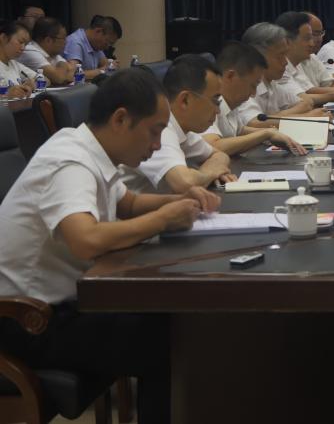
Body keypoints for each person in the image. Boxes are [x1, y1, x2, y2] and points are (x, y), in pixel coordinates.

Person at [0, 68, 220, 424]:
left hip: (60, 305)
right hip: (25, 321)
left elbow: (127, 203)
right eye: (154, 131)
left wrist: (180, 200)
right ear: (120, 119)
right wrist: (163, 219)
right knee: (170, 341)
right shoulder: (69, 161)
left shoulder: (88, 147)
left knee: (175, 319)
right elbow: (86, 240)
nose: (156, 145)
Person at [120, 55, 236, 194]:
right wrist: (209, 174)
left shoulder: (182, 129)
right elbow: (185, 183)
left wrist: (203, 175)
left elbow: (220, 155)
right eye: (215, 100)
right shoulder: (159, 130)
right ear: (185, 100)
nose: (218, 111)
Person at [201, 42, 306, 156]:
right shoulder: (207, 103)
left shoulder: (230, 104)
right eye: (252, 85)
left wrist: (273, 133)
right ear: (230, 76)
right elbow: (213, 146)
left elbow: (240, 131)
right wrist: (265, 134)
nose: (253, 94)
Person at [237, 22, 323, 127]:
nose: (285, 62)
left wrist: (274, 118)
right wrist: (306, 118)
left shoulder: (271, 84)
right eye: (280, 56)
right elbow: (254, 122)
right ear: (258, 57)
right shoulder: (244, 85)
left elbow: (306, 103)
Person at [275, 11, 334, 104]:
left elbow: (330, 83)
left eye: (320, 33)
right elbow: (305, 96)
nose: (312, 43)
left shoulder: (310, 57)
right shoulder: (282, 66)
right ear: (288, 41)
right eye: (308, 37)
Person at [19, 16, 75, 85]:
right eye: (63, 38)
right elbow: (59, 78)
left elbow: (74, 72)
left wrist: (62, 69)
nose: (66, 42)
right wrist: (63, 67)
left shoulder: (54, 53)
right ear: (48, 40)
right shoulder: (29, 51)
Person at [64, 14, 121, 80]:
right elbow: (72, 75)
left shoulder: (95, 45)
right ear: (98, 31)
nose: (107, 47)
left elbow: (106, 64)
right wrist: (102, 71)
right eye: (107, 42)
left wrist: (113, 65)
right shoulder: (75, 42)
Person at [0, 19, 37, 99]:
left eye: (25, 44)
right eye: (20, 42)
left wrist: (31, 84)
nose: (23, 48)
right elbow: (7, 94)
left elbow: (45, 79)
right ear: (3, 38)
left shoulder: (14, 64)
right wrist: (6, 94)